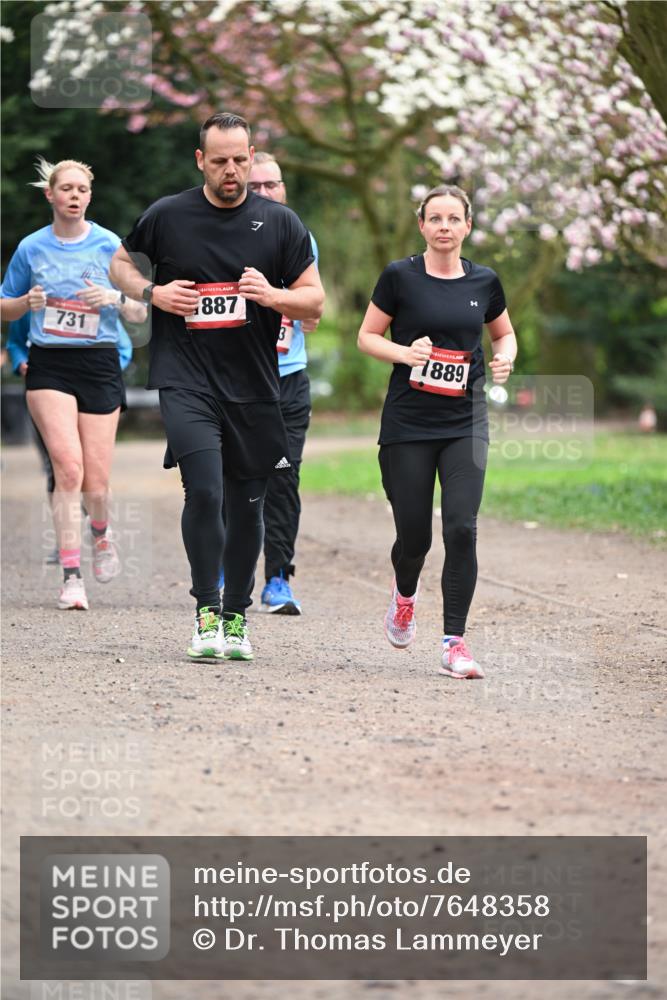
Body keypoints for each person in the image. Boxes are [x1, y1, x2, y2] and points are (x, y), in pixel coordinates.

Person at [109, 111, 324, 662]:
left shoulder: (280, 223)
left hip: (254, 385)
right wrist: (152, 292)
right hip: (186, 379)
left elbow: (314, 300)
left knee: (248, 505)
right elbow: (120, 264)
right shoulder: (169, 215)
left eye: (241, 159)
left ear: (252, 157)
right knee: (204, 491)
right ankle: (206, 609)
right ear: (201, 160)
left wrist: (273, 296)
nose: (232, 170)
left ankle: (235, 615)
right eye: (221, 160)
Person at [357, 185, 517, 679]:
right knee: (414, 537)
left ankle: (454, 642)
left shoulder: (485, 281)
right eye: (435, 219)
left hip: (464, 422)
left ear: (468, 226)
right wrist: (405, 353)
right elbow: (366, 336)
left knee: (463, 528)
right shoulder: (399, 277)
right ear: (422, 225)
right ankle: (405, 594)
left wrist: (506, 355)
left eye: (454, 218)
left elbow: (503, 331)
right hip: (409, 423)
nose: (444, 227)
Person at [1, 157, 146, 610]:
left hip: (99, 361)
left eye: (82, 189)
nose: (75, 196)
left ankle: (101, 535)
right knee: (68, 469)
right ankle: (71, 576)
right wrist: (26, 302)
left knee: (96, 485)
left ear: (90, 195)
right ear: (50, 195)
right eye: (66, 188)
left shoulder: (110, 246)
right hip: (50, 364)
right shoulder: (32, 248)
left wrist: (116, 297)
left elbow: (143, 309)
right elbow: (5, 307)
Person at [228, 151, 319, 615]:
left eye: (273, 185)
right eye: (256, 185)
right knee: (231, 476)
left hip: (286, 379)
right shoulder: (224, 233)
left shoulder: (299, 238)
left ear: (284, 188)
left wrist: (291, 305)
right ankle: (226, 572)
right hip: (233, 378)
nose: (265, 193)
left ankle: (278, 578)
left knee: (283, 478)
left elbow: (315, 306)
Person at [6, 312, 134, 564]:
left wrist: (100, 373)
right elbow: (15, 343)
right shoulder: (34, 302)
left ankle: (99, 529)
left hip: (96, 388)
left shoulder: (94, 301)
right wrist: (21, 362)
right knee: (62, 469)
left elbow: (124, 348)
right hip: (48, 389)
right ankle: (65, 541)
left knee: (92, 477)